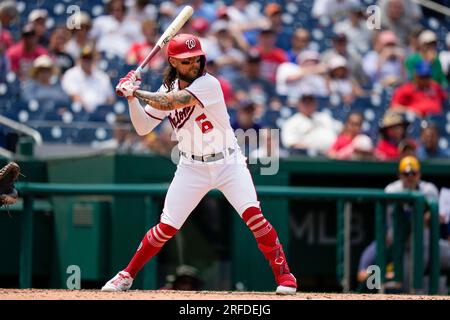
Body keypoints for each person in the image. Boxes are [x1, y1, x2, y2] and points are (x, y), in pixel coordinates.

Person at [101, 33, 297, 295]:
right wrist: (131, 100)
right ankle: (127, 275)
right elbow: (142, 126)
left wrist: (135, 90)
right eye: (186, 61)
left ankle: (285, 277)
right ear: (172, 62)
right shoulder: (165, 89)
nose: (194, 64)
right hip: (191, 166)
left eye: (197, 58)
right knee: (166, 227)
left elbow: (175, 102)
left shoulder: (209, 84)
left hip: (228, 161)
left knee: (254, 216)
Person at [357, 156, 450, 292]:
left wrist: (432, 219)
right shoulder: (392, 190)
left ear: (419, 174)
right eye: (406, 173)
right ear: (400, 175)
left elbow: (433, 221)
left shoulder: (429, 190)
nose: (410, 177)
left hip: (429, 246)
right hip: (404, 248)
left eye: (414, 173)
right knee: (407, 287)